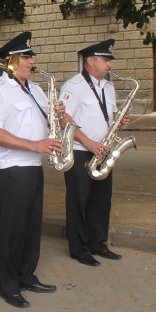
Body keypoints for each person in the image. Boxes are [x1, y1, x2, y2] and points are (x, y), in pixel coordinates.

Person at [0, 31, 61, 309]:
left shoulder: (35, 89)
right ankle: (9, 286)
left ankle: (27, 276)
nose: (31, 60)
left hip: (32, 166)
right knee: (13, 229)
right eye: (26, 56)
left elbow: (46, 123)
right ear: (10, 60)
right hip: (11, 167)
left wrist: (59, 113)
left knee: (31, 226)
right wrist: (34, 145)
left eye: (31, 56)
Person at [59, 39, 128, 266]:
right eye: (105, 60)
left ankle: (98, 242)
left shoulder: (108, 87)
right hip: (81, 151)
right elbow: (64, 119)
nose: (109, 65)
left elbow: (109, 115)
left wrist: (120, 120)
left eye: (109, 60)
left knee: (101, 199)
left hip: (103, 150)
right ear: (91, 61)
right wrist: (89, 143)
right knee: (79, 201)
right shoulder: (74, 86)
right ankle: (78, 248)